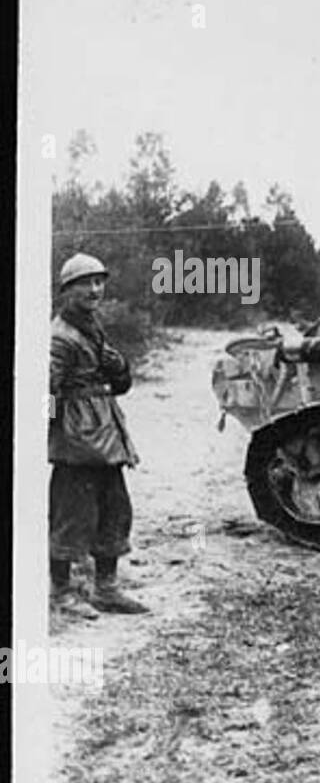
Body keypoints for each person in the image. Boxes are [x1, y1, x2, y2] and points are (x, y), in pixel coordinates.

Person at [49, 253, 149, 619]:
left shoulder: (93, 328)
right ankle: (62, 592)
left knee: (115, 510)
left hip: (105, 434)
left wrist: (117, 365)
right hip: (77, 441)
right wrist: (53, 431)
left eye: (99, 282)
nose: (95, 289)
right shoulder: (59, 337)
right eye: (85, 283)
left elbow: (120, 385)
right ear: (67, 290)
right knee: (72, 515)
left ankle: (106, 588)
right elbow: (45, 394)